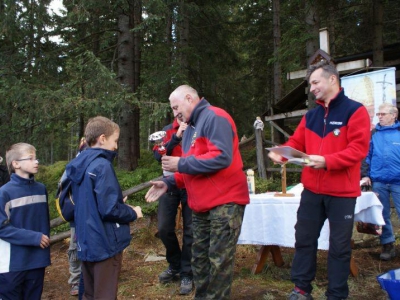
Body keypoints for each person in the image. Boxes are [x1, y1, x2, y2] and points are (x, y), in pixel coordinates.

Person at [268, 60, 370, 300]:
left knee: (339, 247)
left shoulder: (355, 111)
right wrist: (281, 152)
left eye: (315, 82)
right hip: (312, 190)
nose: (311, 88)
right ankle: (301, 289)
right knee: (304, 240)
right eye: (310, 84)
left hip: (342, 193)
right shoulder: (311, 116)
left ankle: (336, 294)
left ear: (332, 79)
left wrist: (327, 161)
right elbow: (296, 142)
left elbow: (358, 149)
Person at [146, 85, 249, 299]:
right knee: (199, 260)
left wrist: (181, 163)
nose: (175, 113)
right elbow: (193, 168)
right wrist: (170, 182)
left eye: (176, 107)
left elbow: (221, 157)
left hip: (225, 202)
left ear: (189, 98)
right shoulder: (191, 127)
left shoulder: (215, 117)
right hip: (201, 205)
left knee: (219, 262)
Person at [66, 116, 143, 299]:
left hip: (85, 241)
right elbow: (108, 210)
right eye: (114, 140)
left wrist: (116, 201)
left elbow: (89, 202)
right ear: (102, 138)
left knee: (89, 293)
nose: (116, 146)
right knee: (105, 294)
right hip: (104, 242)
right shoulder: (102, 165)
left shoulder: (79, 165)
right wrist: (133, 212)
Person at [0, 143, 51, 299]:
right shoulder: (4, 193)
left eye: (36, 158)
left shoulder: (41, 189)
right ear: (15, 164)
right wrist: (34, 238)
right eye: (30, 158)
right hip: (12, 264)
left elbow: (44, 222)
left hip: (37, 261)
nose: (36, 162)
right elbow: (1, 228)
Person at [152, 118, 194, 295]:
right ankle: (175, 264)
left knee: (190, 230)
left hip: (191, 182)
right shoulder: (167, 130)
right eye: (175, 109)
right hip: (169, 182)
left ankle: (187, 272)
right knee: (164, 228)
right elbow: (157, 155)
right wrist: (176, 137)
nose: (179, 112)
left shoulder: (196, 128)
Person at [361, 103, 400, 261]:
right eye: (379, 114)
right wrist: (365, 175)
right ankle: (387, 245)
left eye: (383, 114)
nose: (380, 116)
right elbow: (366, 156)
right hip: (378, 181)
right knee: (382, 215)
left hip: (398, 181)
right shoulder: (373, 134)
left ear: (393, 115)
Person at [67, 137, 87, 297]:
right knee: (74, 248)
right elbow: (63, 193)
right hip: (76, 216)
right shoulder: (73, 167)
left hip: (92, 216)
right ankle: (75, 279)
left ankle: (88, 276)